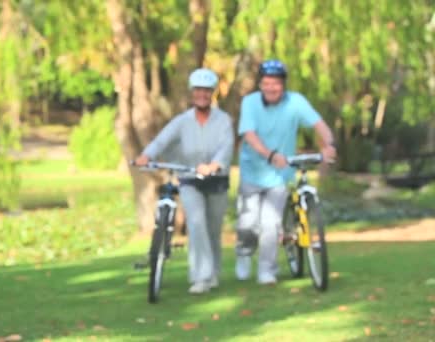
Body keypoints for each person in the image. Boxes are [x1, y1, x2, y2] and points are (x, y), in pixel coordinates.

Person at [235, 59, 337, 285]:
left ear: (284, 85)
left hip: (280, 174)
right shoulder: (250, 103)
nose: (271, 87)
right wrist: (270, 155)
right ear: (260, 84)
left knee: (271, 223)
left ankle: (266, 270)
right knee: (248, 224)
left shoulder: (296, 101)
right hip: (253, 170)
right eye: (267, 83)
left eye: (276, 83)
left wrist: (330, 144)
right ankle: (243, 253)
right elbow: (249, 135)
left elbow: (319, 125)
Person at [134, 68, 234, 294]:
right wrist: (146, 156)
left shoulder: (224, 120)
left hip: (216, 180)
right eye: (198, 91)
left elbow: (226, 148)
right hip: (189, 179)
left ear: (212, 94)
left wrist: (214, 165)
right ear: (192, 93)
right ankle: (201, 276)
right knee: (196, 224)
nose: (202, 95)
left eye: (207, 91)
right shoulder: (182, 121)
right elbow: (161, 141)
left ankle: (213, 274)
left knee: (212, 229)